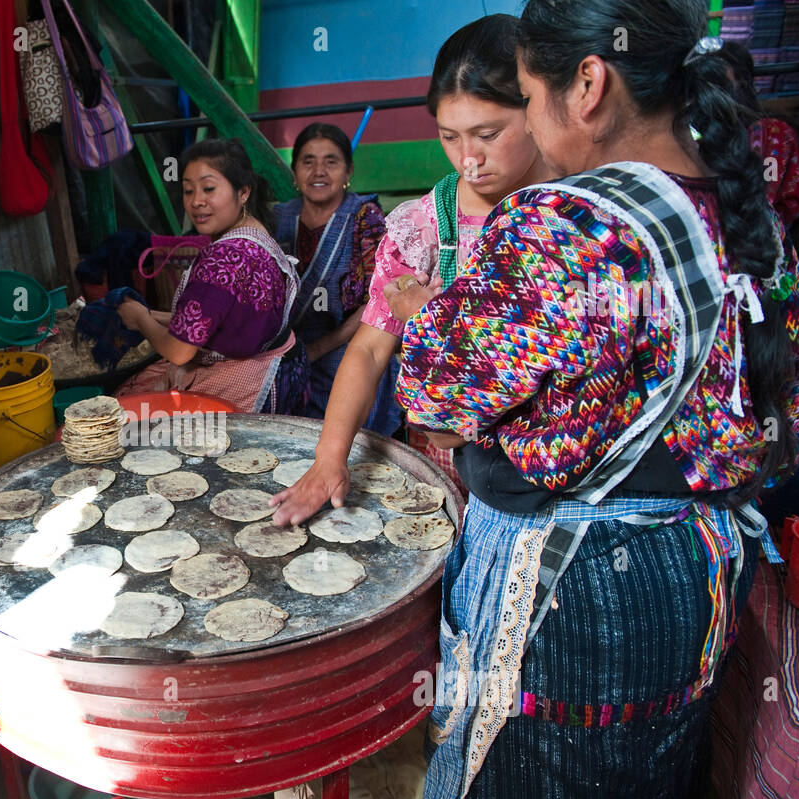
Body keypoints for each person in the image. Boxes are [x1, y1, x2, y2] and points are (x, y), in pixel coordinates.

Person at [299, 0, 799, 799]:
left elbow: (437, 389)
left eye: (530, 101)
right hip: (695, 575)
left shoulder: (566, 225)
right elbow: (791, 407)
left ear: (589, 85)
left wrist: (434, 313)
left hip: (573, 597)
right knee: (633, 798)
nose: (529, 134)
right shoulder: (739, 209)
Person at [273, 13, 550, 509]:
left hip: (555, 464)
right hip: (452, 462)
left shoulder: (577, 212)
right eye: (450, 136)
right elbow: (370, 350)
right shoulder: (423, 229)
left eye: (488, 134)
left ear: (538, 105)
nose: (469, 158)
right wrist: (330, 459)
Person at [115, 139, 308, 415]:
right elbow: (222, 318)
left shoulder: (222, 261)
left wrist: (141, 319)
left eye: (209, 188)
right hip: (284, 367)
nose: (196, 202)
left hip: (250, 381)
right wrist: (153, 314)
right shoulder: (256, 235)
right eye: (188, 190)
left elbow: (180, 352)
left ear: (243, 192)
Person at [273, 123, 393, 430]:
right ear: (294, 171)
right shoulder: (278, 218)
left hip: (349, 341)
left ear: (348, 171)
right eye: (308, 161)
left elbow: (377, 303)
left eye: (331, 161)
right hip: (287, 344)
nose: (319, 172)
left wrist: (318, 349)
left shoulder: (365, 218)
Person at [711, 40, 799, 230]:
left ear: (740, 82)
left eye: (716, 79)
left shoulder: (772, 135)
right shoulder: (699, 131)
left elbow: (766, 198)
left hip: (757, 238)